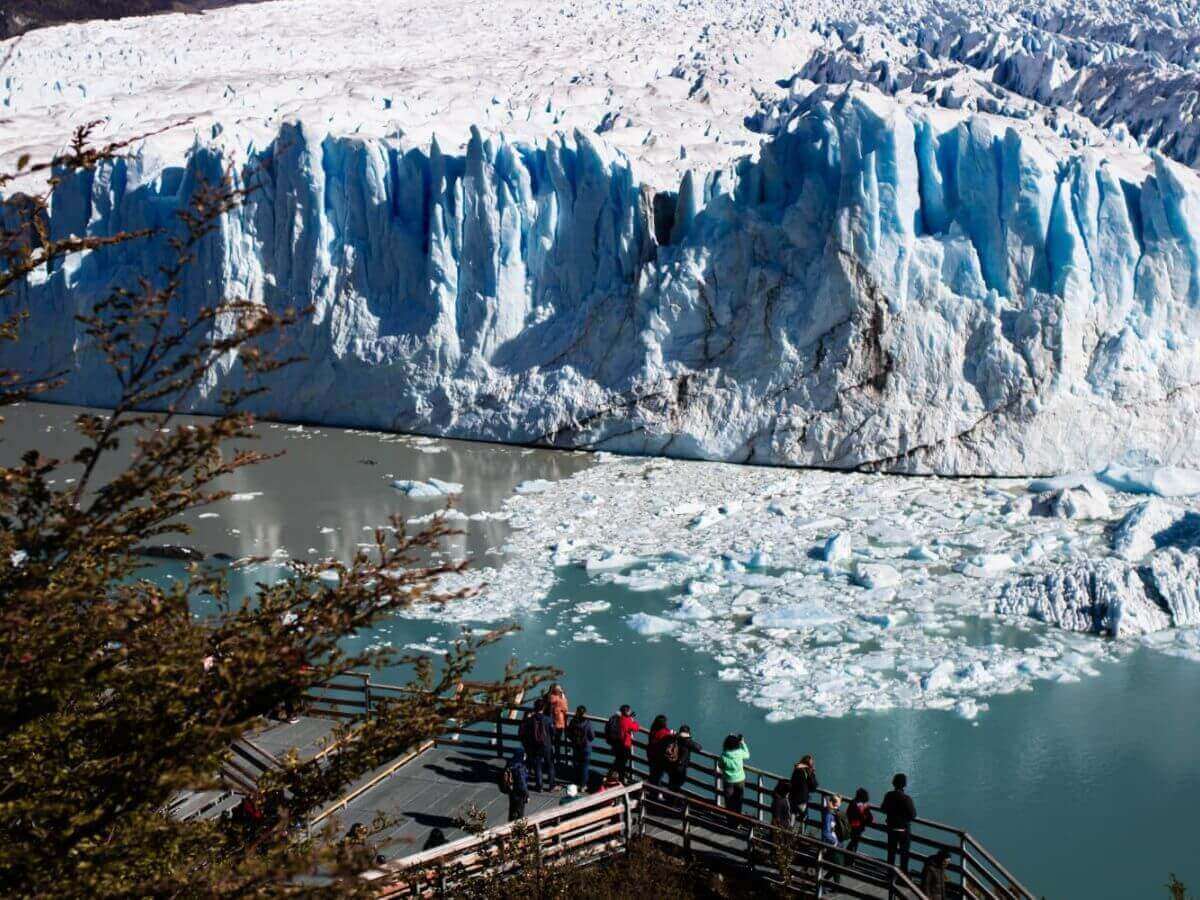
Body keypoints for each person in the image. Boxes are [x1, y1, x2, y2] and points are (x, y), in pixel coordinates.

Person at [881, 772, 917, 875]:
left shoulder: (889, 795)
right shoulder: (906, 798)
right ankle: (903, 876)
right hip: (903, 830)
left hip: (891, 828)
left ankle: (890, 874)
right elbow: (913, 815)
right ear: (904, 784)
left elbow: (883, 808)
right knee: (904, 854)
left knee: (891, 853)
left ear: (893, 783)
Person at [520, 698, 555, 792]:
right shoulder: (548, 719)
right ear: (543, 708)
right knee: (550, 765)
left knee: (537, 766)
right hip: (546, 745)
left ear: (534, 707)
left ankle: (539, 786)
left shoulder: (530, 720)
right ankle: (551, 786)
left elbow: (526, 732)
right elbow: (553, 732)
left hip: (535, 746)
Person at [605, 704, 640, 783]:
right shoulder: (627, 720)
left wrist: (629, 718)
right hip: (624, 745)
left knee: (618, 761)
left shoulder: (618, 718)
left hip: (616, 744)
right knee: (622, 764)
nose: (630, 712)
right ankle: (620, 779)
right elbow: (636, 728)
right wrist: (633, 720)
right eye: (629, 711)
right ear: (626, 712)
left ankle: (611, 776)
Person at [664, 724, 702, 793]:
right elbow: (699, 747)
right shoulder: (687, 741)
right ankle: (672, 797)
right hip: (680, 767)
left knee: (671, 783)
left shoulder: (675, 738)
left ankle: (668, 795)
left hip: (671, 764)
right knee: (677, 785)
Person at [718, 734, 750, 815]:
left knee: (729, 802)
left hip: (728, 780)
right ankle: (738, 817)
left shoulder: (723, 756)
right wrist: (743, 743)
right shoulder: (740, 753)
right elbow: (747, 755)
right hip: (740, 780)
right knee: (739, 800)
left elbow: (720, 765)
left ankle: (730, 819)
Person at [567, 705, 595, 791]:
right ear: (585, 713)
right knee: (585, 766)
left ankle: (575, 782)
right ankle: (583, 785)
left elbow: (569, 733)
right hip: (586, 747)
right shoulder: (588, 723)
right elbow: (592, 736)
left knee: (576, 764)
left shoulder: (573, 721)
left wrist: (573, 740)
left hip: (576, 746)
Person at [790, 754, 819, 831]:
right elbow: (814, 787)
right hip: (801, 800)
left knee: (793, 817)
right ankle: (799, 834)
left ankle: (789, 833)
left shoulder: (796, 770)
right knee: (803, 819)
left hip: (793, 798)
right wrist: (812, 773)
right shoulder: (807, 772)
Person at [646, 714, 674, 787]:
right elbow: (668, 737)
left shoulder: (653, 730)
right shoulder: (664, 732)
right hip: (659, 758)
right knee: (658, 776)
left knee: (653, 773)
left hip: (651, 755)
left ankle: (651, 788)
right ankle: (655, 790)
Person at [502, 748, 530, 822]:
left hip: (511, 790)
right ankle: (519, 827)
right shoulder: (520, 767)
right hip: (519, 793)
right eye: (524, 755)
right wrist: (526, 794)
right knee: (520, 813)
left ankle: (509, 825)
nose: (525, 756)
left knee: (512, 810)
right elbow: (522, 783)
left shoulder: (510, 763)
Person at [546, 683, 569, 769]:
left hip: (552, 723)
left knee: (551, 742)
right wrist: (563, 697)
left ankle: (550, 759)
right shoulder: (557, 699)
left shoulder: (550, 697)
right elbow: (565, 708)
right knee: (557, 744)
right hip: (558, 724)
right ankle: (556, 761)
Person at [846, 787, 874, 854]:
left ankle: (848, 855)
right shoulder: (863, 806)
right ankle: (849, 856)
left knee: (853, 842)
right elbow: (870, 818)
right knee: (854, 843)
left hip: (851, 826)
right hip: (858, 827)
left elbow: (848, 813)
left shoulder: (853, 802)